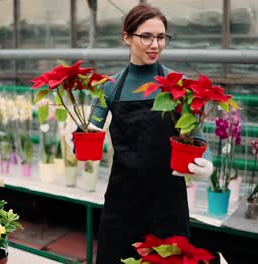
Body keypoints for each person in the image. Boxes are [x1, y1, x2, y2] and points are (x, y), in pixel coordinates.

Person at [83, 4, 214, 263]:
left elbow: (197, 134)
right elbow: (90, 130)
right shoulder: (109, 88)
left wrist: (206, 162)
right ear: (127, 37)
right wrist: (77, 137)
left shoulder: (178, 85)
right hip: (123, 203)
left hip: (168, 204)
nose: (155, 44)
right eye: (147, 37)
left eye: (161, 37)